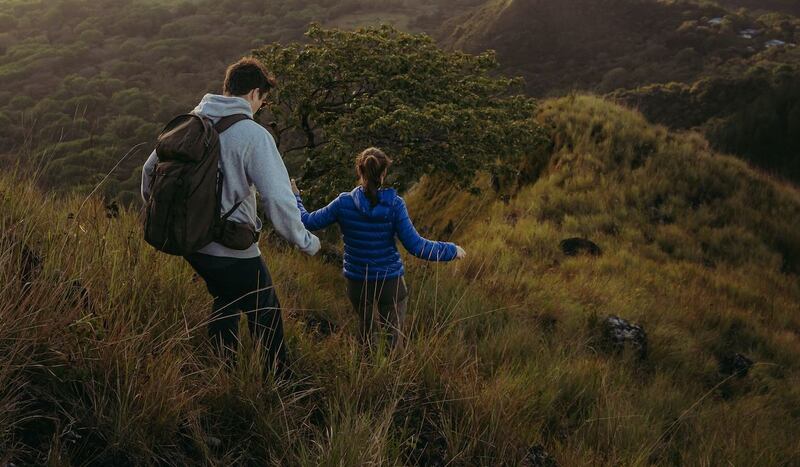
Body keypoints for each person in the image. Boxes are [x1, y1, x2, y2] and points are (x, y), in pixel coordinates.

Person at [141, 57, 320, 375]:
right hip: (231, 247)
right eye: (262, 100)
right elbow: (279, 200)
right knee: (265, 311)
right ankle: (278, 382)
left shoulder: (191, 122)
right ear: (254, 93)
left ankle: (219, 370)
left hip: (193, 243)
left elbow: (149, 171)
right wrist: (306, 242)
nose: (260, 107)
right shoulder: (253, 136)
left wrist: (173, 215)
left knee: (226, 295)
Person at [292, 147, 466, 351]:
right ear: (383, 173)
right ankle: (391, 379)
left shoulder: (343, 203)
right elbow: (416, 246)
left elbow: (307, 221)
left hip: (357, 281)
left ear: (360, 171)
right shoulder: (395, 205)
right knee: (393, 342)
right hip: (389, 281)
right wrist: (451, 250)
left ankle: (367, 375)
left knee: (367, 336)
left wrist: (296, 196)